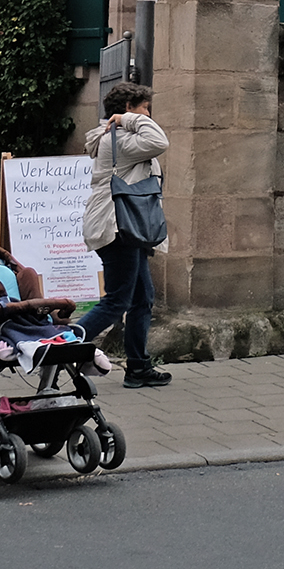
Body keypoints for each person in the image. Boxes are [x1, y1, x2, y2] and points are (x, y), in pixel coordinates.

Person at [76, 81, 171, 388]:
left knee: (142, 297)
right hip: (116, 226)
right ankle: (60, 346)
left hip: (128, 227)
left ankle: (139, 367)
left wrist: (128, 119)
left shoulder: (124, 138)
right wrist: (128, 119)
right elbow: (160, 141)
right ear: (128, 109)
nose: (148, 115)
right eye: (144, 108)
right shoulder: (120, 139)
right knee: (117, 300)